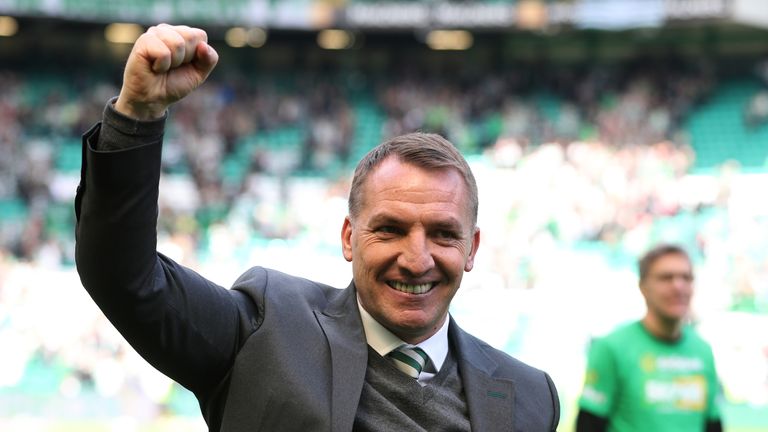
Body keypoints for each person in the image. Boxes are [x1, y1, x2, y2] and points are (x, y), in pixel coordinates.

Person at [74, 24, 560, 431]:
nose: (417, 258)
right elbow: (126, 278)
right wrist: (136, 116)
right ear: (349, 237)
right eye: (389, 229)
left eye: (443, 234)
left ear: (472, 248)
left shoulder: (531, 398)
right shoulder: (265, 330)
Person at [576, 244, 722, 432]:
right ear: (643, 286)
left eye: (686, 277)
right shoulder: (611, 347)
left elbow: (713, 423)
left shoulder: (703, 350)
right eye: (666, 278)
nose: (678, 286)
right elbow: (588, 424)